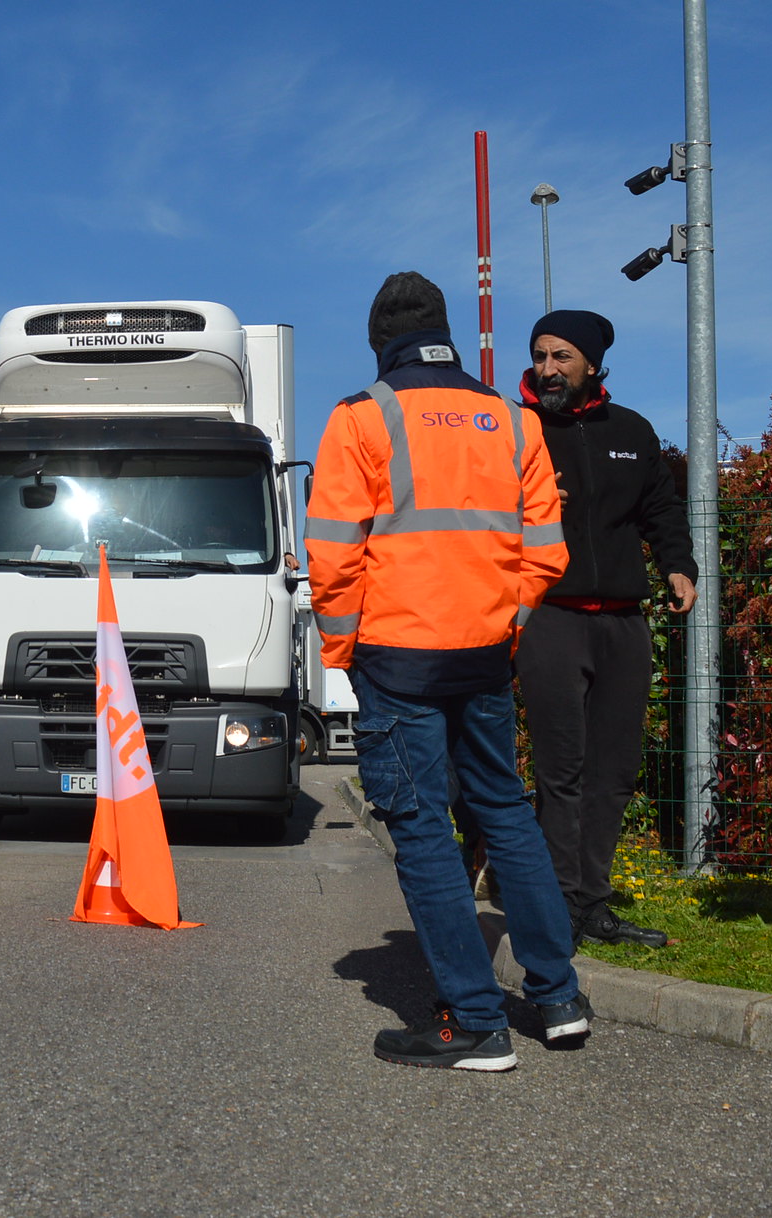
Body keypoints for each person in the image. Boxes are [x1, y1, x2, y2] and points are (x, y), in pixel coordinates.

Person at [307, 271, 586, 1070]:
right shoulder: (510, 417)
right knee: (505, 810)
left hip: (397, 656)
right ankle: (558, 996)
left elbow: (331, 554)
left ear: (378, 340)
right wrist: (507, 622)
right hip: (485, 653)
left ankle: (474, 1021)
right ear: (445, 331)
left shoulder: (363, 416)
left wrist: (345, 649)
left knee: (424, 827)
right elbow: (546, 550)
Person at [514, 309, 696, 950]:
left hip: (623, 625)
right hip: (552, 621)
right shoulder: (520, 430)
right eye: (540, 356)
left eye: (562, 357)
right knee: (561, 770)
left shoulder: (632, 431)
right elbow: (481, 515)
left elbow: (661, 510)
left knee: (614, 772)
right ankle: (557, 907)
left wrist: (679, 565)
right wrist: (531, 505)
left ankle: (595, 903)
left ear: (591, 364)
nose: (547, 369)